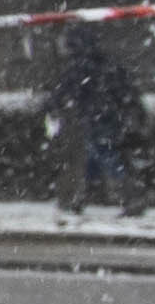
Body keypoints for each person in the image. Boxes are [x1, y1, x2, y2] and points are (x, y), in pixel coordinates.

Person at [51, 16, 142, 216]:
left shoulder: (79, 66)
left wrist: (53, 106)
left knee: (105, 155)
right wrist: (131, 110)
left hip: (95, 116)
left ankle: (129, 198)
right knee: (97, 155)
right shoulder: (105, 63)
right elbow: (126, 89)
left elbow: (64, 90)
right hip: (111, 115)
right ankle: (82, 199)